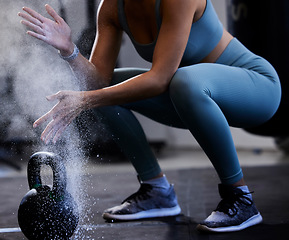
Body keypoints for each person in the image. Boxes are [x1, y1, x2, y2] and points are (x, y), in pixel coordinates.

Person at [18, 0, 281, 232]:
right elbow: (97, 82)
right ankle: (157, 190)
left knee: (183, 80)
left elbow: (159, 79)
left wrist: (84, 101)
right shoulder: (112, 7)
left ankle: (240, 198)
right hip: (190, 97)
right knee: (106, 92)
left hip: (257, 90)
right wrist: (69, 50)